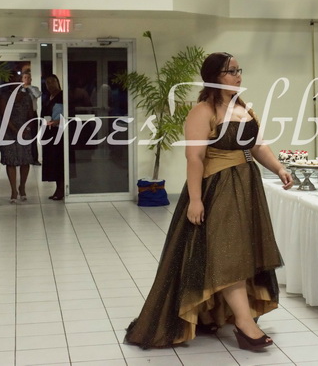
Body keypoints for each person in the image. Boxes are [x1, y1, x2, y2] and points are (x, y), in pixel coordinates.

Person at [125, 52, 294, 350]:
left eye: (239, 70)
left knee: (241, 253)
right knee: (227, 256)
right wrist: (195, 200)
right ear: (214, 76)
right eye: (231, 71)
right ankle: (245, 324)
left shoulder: (244, 108)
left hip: (247, 187)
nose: (238, 76)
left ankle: (225, 315)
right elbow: (195, 157)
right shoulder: (202, 111)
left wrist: (279, 168)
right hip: (218, 190)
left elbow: (257, 146)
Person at [0, 69, 35, 203]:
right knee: (11, 161)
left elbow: (31, 114)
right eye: (12, 79)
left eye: (17, 80)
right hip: (9, 132)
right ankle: (13, 190)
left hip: (25, 131)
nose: (15, 82)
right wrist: (15, 130)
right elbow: (4, 115)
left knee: (25, 160)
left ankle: (22, 187)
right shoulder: (4, 96)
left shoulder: (26, 96)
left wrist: (27, 127)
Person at [41, 74, 64, 200]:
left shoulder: (63, 96)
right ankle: (57, 189)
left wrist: (57, 122)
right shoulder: (47, 98)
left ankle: (61, 189)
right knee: (52, 161)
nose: (50, 85)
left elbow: (69, 114)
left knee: (60, 160)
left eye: (52, 82)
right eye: (47, 83)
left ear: (58, 82)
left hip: (60, 133)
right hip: (49, 132)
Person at [19, 65, 42, 166]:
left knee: (33, 136)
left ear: (31, 79)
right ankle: (22, 158)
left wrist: (29, 88)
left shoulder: (34, 89)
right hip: (22, 115)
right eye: (25, 77)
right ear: (22, 79)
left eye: (28, 78)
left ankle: (34, 158)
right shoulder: (19, 90)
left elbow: (38, 95)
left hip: (33, 114)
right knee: (22, 136)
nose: (27, 79)